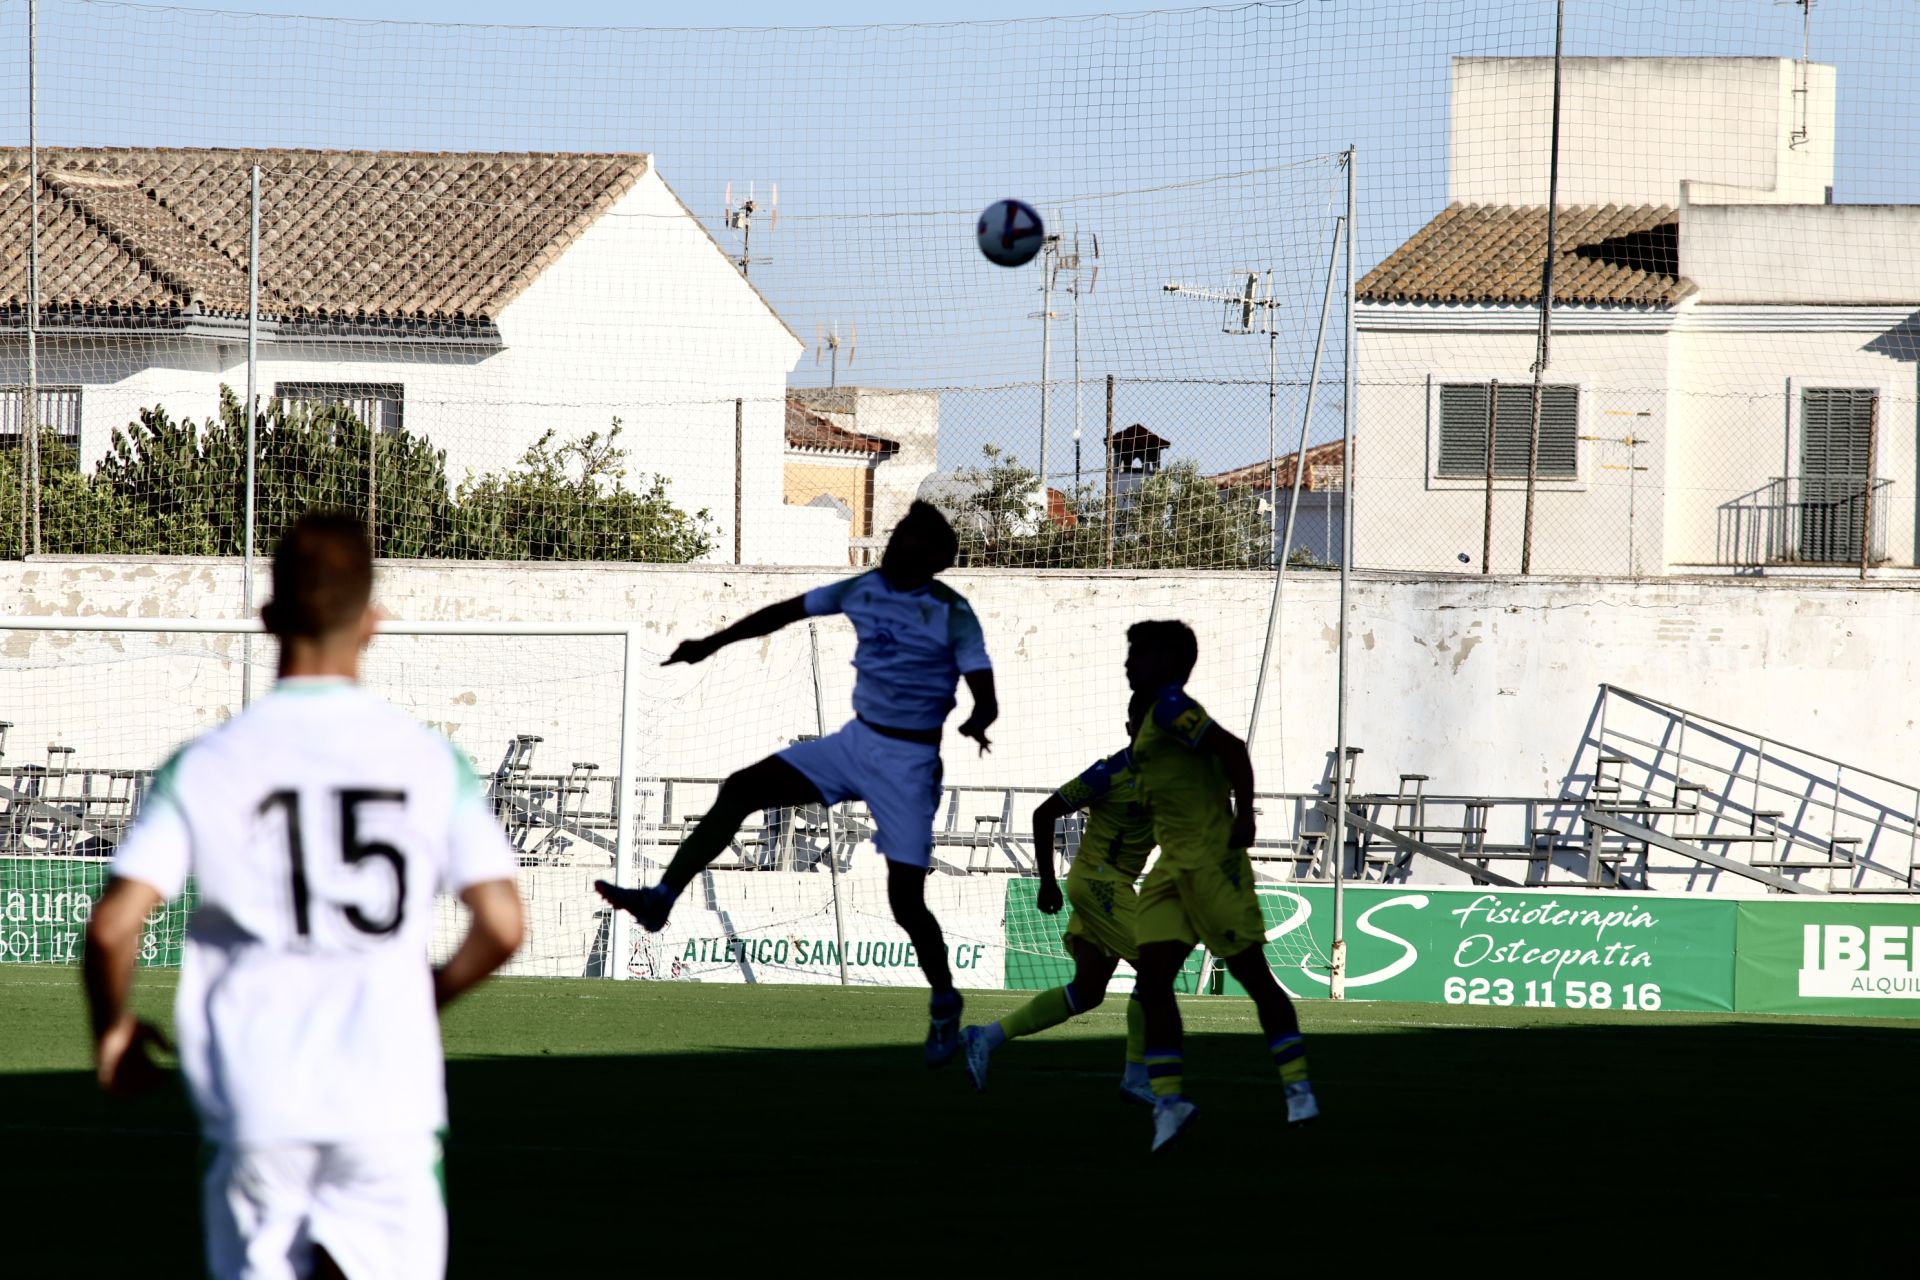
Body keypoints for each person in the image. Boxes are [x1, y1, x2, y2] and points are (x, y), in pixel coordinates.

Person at [83, 512, 526, 1280]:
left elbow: (114, 929)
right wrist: (424, 997)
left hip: (260, 1104)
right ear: (373, 624)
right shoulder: (428, 760)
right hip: (387, 1107)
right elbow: (502, 925)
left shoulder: (208, 764)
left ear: (268, 619)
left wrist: (113, 1033)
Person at [596, 501, 997, 1065]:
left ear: (929, 556)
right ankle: (661, 898)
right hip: (858, 744)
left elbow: (984, 685)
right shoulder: (865, 588)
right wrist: (712, 644)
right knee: (740, 788)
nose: (891, 542)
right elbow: (783, 613)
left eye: (903, 536)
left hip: (908, 765)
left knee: (906, 902)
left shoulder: (952, 611)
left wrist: (979, 718)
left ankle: (945, 1000)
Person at [1123, 619, 1318, 1153]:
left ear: (1166, 662)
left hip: (1211, 863)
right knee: (1153, 981)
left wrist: (1245, 815)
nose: (1127, 663)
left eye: (1137, 653)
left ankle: (1298, 1090)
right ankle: (1169, 1102)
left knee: (1255, 978)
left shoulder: (1170, 707)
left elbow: (1232, 749)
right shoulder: (1148, 718)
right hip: (1171, 871)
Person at [960, 692, 1157, 1102]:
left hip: (1117, 888)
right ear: (1130, 730)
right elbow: (1044, 812)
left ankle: (986, 1037)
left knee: (1088, 992)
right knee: (1157, 967)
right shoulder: (1107, 774)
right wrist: (1047, 881)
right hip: (1099, 883)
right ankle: (1137, 1077)